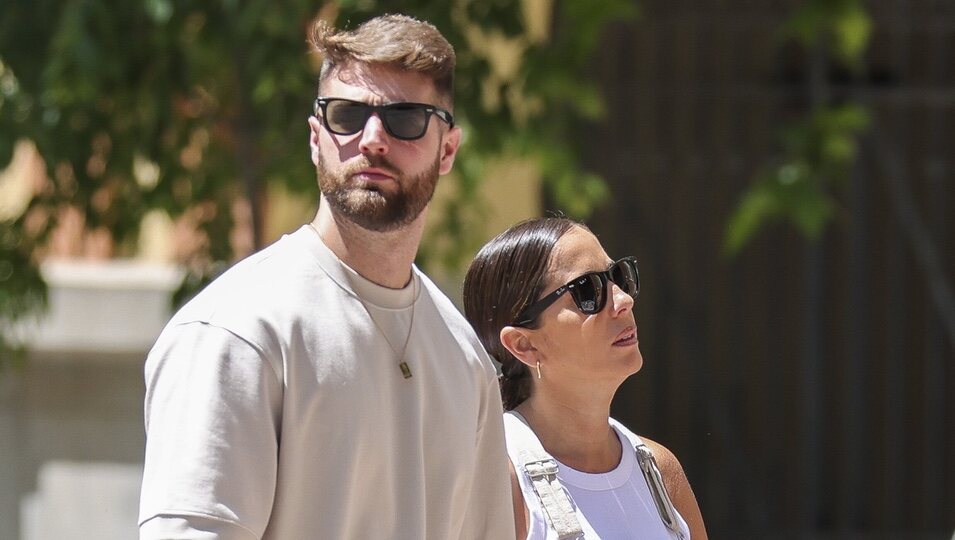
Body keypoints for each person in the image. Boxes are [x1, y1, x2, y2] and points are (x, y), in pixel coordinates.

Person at [139, 14, 514, 539]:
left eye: (405, 118)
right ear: (316, 137)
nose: (373, 139)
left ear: (448, 148)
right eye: (347, 115)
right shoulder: (236, 332)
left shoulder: (464, 357)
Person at [463, 217, 708, 540]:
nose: (623, 300)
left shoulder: (659, 470)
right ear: (524, 345)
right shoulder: (496, 477)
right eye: (587, 290)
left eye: (619, 276)